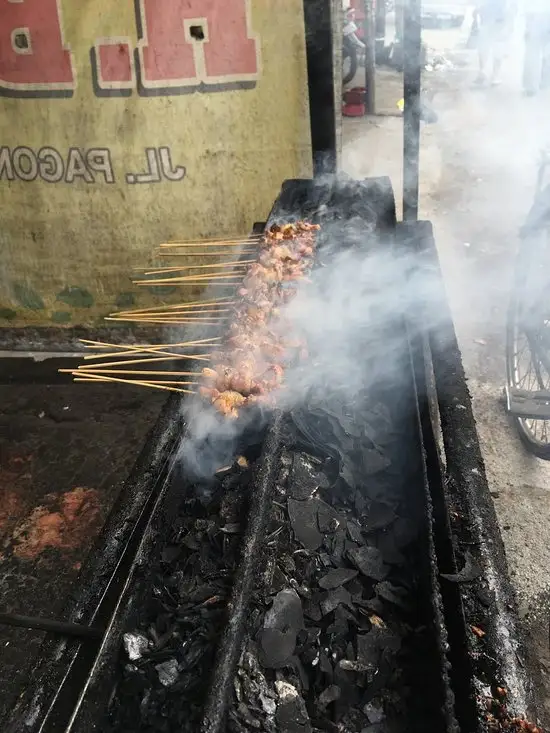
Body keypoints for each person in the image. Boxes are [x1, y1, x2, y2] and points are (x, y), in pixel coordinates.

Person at [474, 0, 513, 86]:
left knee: (484, 45)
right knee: (498, 46)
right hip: (499, 18)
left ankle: (483, 71)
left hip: (487, 16)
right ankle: (494, 76)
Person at [522, 0, 550, 96]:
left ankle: (531, 86)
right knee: (546, 51)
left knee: (532, 51)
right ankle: (544, 81)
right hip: (541, 13)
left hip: (535, 14)